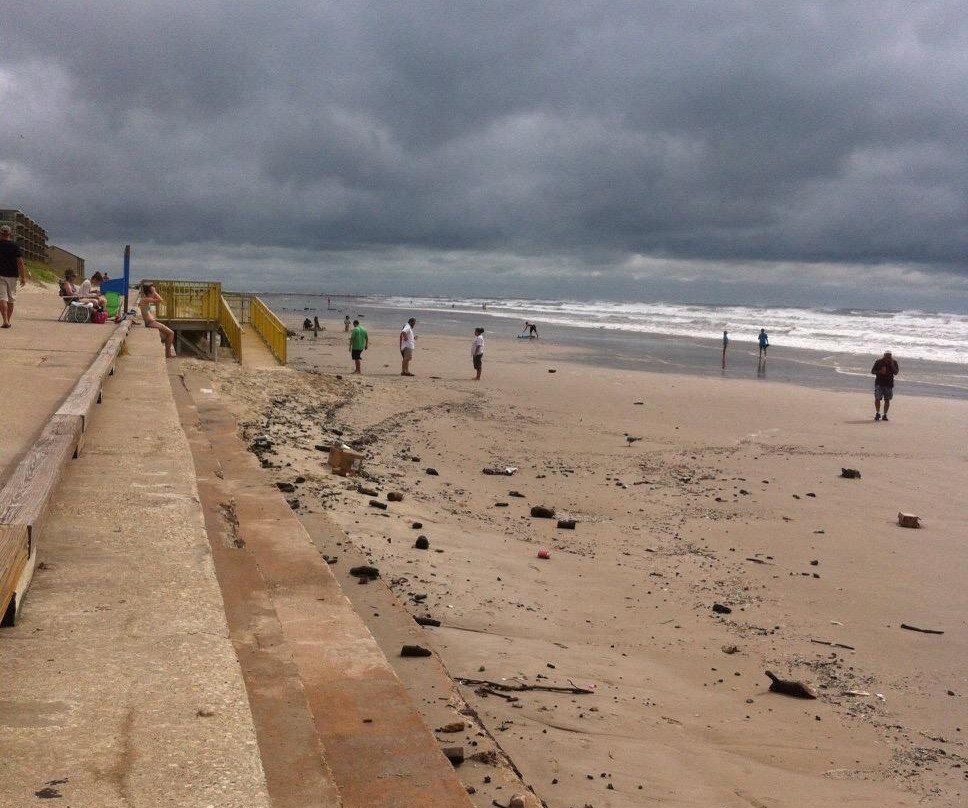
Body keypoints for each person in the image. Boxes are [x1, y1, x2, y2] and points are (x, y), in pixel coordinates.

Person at [137, 282, 176, 358]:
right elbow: (160, 300)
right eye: (153, 292)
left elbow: (151, 311)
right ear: (149, 292)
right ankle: (168, 354)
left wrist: (153, 292)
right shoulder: (144, 299)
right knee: (171, 333)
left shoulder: (146, 300)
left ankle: (168, 354)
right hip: (150, 323)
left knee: (169, 333)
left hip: (151, 322)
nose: (154, 294)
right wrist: (154, 292)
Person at [0, 224, 27, 329]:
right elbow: (20, 263)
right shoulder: (15, 246)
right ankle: (8, 321)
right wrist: (23, 277)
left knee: (2, 298)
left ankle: (5, 320)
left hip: (0, 274)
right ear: (10, 233)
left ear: (1, 233)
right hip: (12, 275)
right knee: (11, 299)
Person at [871, 351, 899, 421]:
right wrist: (880, 371)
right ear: (884, 355)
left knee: (887, 400)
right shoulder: (879, 362)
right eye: (887, 356)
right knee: (877, 398)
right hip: (879, 383)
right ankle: (877, 413)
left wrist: (892, 365)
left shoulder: (894, 362)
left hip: (889, 384)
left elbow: (896, 373)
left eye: (889, 356)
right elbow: (872, 371)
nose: (888, 357)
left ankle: (885, 415)